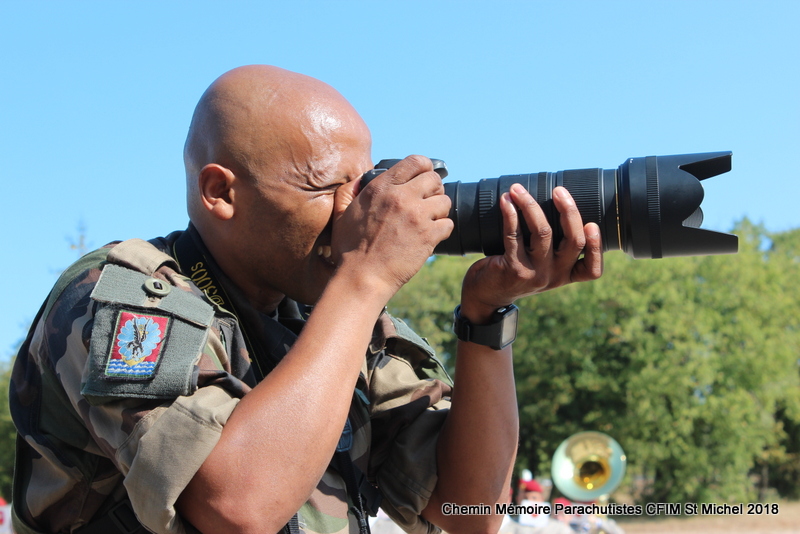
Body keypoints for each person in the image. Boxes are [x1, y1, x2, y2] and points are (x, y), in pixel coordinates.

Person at [9, 65, 603, 534]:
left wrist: (485, 317)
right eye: (329, 188)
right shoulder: (122, 298)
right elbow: (237, 508)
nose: (362, 213)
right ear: (220, 192)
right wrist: (365, 280)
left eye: (366, 184)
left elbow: (467, 510)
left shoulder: (335, 320)